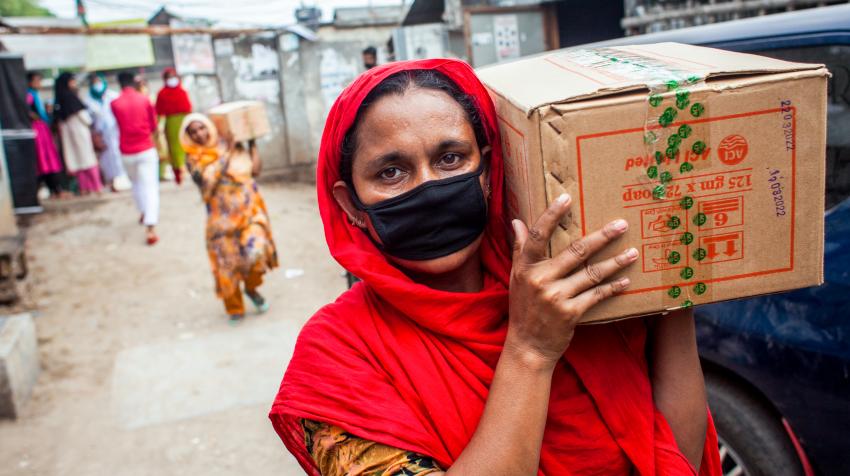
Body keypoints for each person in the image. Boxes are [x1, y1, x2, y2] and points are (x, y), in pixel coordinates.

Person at [270, 60, 722, 475]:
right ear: (350, 204)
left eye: (450, 158)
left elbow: (676, 458)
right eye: (391, 172)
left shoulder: (572, 287)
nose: (429, 188)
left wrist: (670, 282)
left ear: (487, 169)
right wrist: (529, 350)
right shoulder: (336, 354)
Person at [179, 113, 278, 323]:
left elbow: (256, 170)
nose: (199, 134)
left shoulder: (233, 146)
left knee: (256, 254)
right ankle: (235, 308)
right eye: (193, 131)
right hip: (221, 223)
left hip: (250, 213)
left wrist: (252, 144)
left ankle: (251, 289)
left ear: (209, 127)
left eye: (201, 128)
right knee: (227, 266)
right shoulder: (194, 159)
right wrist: (227, 151)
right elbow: (208, 180)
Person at [111, 71, 160, 246]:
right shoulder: (144, 100)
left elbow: (118, 125)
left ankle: (143, 212)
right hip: (146, 148)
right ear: (134, 82)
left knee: (137, 184)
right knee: (150, 187)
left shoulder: (115, 104)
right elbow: (154, 125)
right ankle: (150, 227)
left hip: (126, 151)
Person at [53, 72, 102, 195]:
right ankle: (96, 186)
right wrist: (90, 123)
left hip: (67, 134)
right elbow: (83, 116)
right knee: (88, 158)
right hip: (79, 130)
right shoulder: (71, 96)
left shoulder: (59, 98)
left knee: (76, 160)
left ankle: (84, 188)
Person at [85, 73, 130, 192]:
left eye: (99, 82)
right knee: (106, 160)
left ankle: (123, 179)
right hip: (101, 134)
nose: (97, 85)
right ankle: (111, 182)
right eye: (94, 83)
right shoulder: (87, 100)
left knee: (119, 155)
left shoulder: (113, 96)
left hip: (115, 131)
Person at [26, 72, 67, 199]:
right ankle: (55, 190)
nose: (39, 83)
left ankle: (55, 190)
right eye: (37, 80)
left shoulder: (34, 95)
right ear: (30, 82)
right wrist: (36, 117)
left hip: (42, 129)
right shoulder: (29, 95)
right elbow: (26, 110)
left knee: (47, 159)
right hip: (38, 130)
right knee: (44, 159)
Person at [155, 67, 193, 185]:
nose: (172, 79)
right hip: (171, 124)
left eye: (173, 76)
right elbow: (159, 112)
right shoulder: (162, 93)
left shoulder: (182, 91)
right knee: (175, 149)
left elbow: (189, 108)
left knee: (188, 145)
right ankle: (178, 172)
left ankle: (191, 169)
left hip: (185, 121)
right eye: (169, 77)